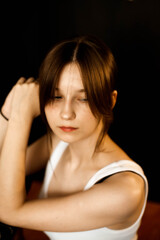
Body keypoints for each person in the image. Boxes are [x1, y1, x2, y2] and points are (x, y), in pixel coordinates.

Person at [0, 35, 148, 240]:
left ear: (110, 100)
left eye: (84, 98)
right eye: (56, 96)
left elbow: (8, 211)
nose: (66, 113)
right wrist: (6, 112)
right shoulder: (57, 143)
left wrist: (20, 115)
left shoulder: (125, 190)